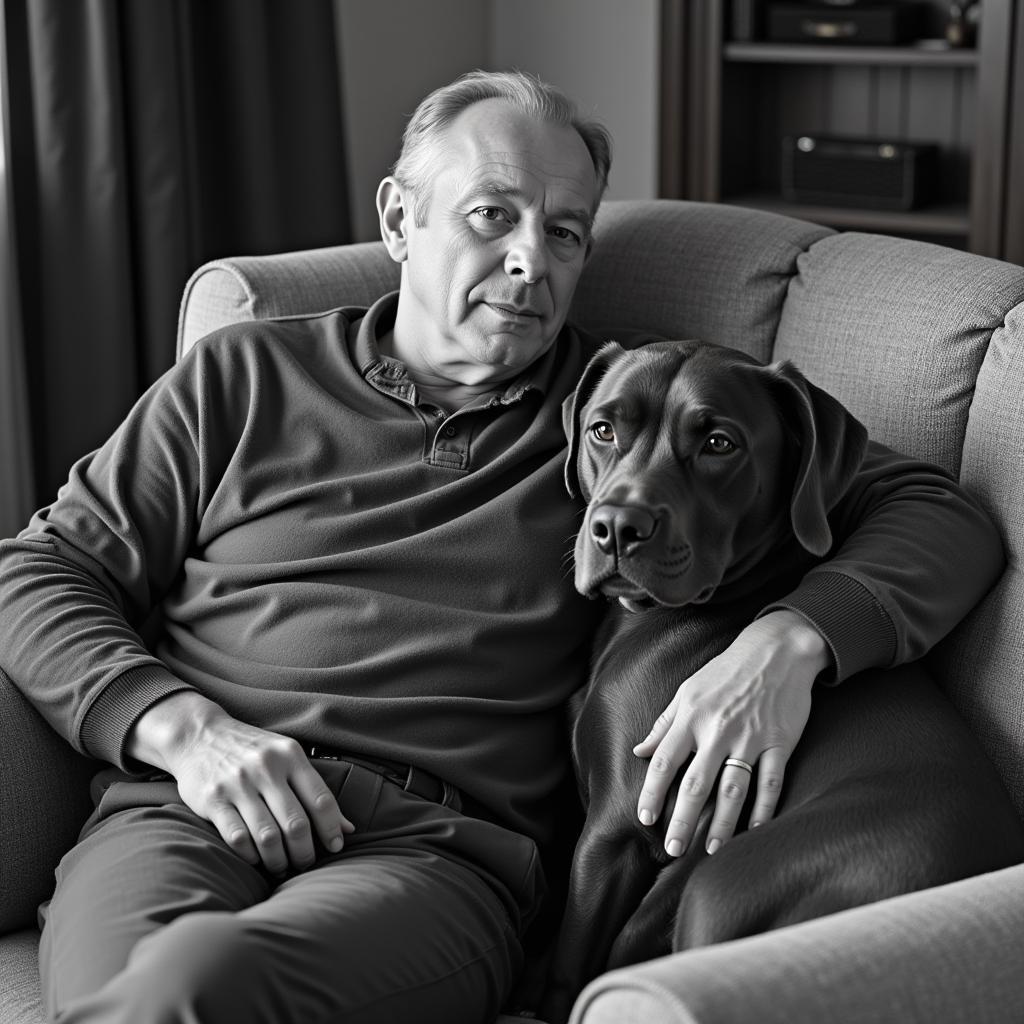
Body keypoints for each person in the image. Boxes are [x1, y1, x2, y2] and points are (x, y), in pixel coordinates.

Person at [0, 70, 1002, 1024]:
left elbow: (939, 512)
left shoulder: (608, 419)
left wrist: (790, 642)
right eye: (494, 213)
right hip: (182, 807)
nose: (531, 259)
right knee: (132, 990)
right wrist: (179, 728)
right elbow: (38, 569)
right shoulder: (243, 376)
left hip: (424, 855)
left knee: (189, 984)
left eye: (564, 233)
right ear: (399, 219)